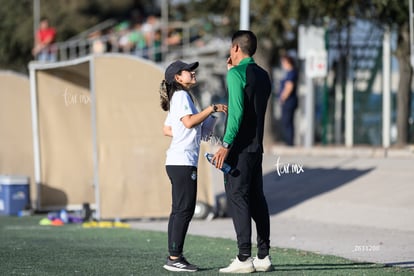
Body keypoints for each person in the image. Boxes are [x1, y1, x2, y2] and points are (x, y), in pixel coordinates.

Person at [212, 30, 272, 273]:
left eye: (230, 48)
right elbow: (251, 107)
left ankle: (244, 257)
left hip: (239, 148)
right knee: (257, 198)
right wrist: (231, 73)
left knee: (238, 198)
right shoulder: (263, 75)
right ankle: (263, 257)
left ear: (236, 48)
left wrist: (225, 145)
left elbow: (236, 114)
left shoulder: (237, 74)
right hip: (256, 148)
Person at [160, 60, 227, 272]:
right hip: (182, 162)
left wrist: (205, 122)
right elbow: (188, 122)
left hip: (178, 161)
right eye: (188, 70)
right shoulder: (180, 96)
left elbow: (169, 129)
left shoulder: (181, 97)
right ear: (178, 78)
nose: (193, 72)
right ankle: (174, 257)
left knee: (180, 210)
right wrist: (211, 109)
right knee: (184, 210)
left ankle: (174, 255)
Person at [279, 55, 298, 146]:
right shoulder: (289, 73)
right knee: (287, 121)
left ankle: (289, 142)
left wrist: (283, 97)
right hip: (289, 101)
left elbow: (289, 86)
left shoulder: (291, 73)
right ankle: (288, 141)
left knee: (287, 121)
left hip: (289, 101)